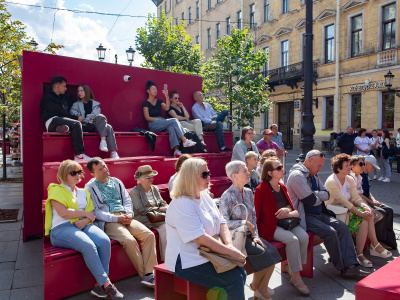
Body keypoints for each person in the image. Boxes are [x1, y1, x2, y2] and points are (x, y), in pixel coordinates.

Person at [165, 158, 246, 300]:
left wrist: (229, 245)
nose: (209, 177)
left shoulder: (204, 196)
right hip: (187, 260)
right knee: (234, 279)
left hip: (208, 253)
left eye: (208, 173)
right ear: (190, 177)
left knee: (241, 273)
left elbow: (222, 222)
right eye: (204, 174)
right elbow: (199, 237)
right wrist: (229, 252)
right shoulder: (182, 203)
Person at [44, 160, 123, 299]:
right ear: (64, 174)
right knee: (88, 245)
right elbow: (63, 213)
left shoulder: (84, 192)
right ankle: (107, 284)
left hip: (83, 225)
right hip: (61, 229)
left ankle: (99, 287)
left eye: (79, 172)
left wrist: (86, 220)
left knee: (104, 240)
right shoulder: (56, 189)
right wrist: (85, 214)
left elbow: (92, 213)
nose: (78, 175)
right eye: (73, 173)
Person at [287, 150, 368, 277]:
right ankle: (343, 267)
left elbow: (326, 194)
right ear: (309, 161)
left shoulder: (313, 175)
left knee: (342, 227)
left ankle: (351, 265)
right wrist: (317, 194)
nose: (320, 168)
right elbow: (310, 200)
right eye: (318, 165)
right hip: (305, 217)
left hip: (319, 213)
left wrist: (315, 193)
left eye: (321, 166)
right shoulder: (297, 175)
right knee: (330, 232)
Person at [85, 157, 158, 287]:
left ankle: (150, 273)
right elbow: (96, 212)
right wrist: (115, 218)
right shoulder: (90, 187)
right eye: (100, 169)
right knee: (129, 240)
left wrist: (129, 214)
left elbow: (127, 200)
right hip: (109, 221)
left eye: (105, 166)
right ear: (93, 173)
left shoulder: (116, 181)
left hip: (125, 216)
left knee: (149, 235)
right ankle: (145, 275)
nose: (105, 170)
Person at [220, 161, 281, 300]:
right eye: (245, 171)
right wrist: (243, 223)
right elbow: (223, 223)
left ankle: (258, 286)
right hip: (236, 237)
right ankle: (261, 290)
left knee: (273, 253)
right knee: (265, 255)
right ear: (234, 175)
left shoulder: (248, 191)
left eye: (248, 170)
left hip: (249, 236)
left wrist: (256, 236)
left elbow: (253, 217)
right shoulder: (227, 196)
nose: (249, 173)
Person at [325, 154, 392, 268]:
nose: (349, 168)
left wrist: (366, 207)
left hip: (347, 211)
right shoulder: (332, 181)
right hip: (335, 213)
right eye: (346, 165)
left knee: (368, 216)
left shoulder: (349, 179)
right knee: (364, 217)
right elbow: (344, 201)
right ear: (338, 168)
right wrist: (360, 212)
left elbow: (356, 198)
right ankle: (367, 250)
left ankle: (363, 251)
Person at [255, 157, 310, 295]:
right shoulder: (261, 189)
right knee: (293, 240)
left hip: (287, 222)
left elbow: (293, 209)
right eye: (278, 168)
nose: (282, 170)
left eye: (282, 167)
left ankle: (292, 268)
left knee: (304, 237)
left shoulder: (282, 186)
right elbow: (256, 212)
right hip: (270, 226)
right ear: (269, 173)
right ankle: (296, 278)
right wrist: (255, 235)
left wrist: (287, 210)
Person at [40, 76, 91, 161]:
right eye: (64, 86)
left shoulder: (60, 98)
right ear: (58, 87)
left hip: (59, 121)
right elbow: (61, 113)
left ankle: (62, 128)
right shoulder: (48, 97)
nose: (66, 88)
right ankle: (79, 155)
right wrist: (77, 118)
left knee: (86, 126)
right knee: (76, 124)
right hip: (52, 121)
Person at [143, 81, 196, 157]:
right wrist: (158, 120)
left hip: (161, 121)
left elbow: (167, 108)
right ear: (148, 91)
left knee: (171, 127)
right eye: (153, 89)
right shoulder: (146, 103)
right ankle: (184, 140)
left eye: (156, 89)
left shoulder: (159, 101)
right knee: (174, 120)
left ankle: (176, 151)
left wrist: (166, 96)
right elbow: (147, 117)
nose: (155, 91)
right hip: (153, 123)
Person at [130, 165, 168, 261]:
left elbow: (161, 202)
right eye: (148, 177)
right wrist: (160, 210)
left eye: (152, 176)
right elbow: (141, 209)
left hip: (156, 215)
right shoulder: (135, 191)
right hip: (143, 217)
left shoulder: (154, 188)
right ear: (141, 179)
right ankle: (166, 258)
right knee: (166, 227)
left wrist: (167, 207)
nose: (151, 179)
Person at [70, 84, 119, 159]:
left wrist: (85, 118)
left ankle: (112, 151)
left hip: (93, 125)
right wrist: (87, 119)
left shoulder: (95, 104)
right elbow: (73, 113)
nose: (79, 92)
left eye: (81, 91)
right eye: (78, 91)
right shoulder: (75, 104)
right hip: (83, 126)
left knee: (105, 122)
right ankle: (105, 143)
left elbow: (96, 114)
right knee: (106, 126)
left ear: (87, 92)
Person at [361, 155, 397, 250]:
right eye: (372, 166)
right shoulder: (359, 175)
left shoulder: (366, 175)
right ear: (366, 164)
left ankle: (389, 240)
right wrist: (371, 202)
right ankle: (378, 241)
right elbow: (358, 194)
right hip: (363, 203)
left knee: (389, 210)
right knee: (382, 213)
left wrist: (374, 200)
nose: (373, 169)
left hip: (368, 201)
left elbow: (368, 192)